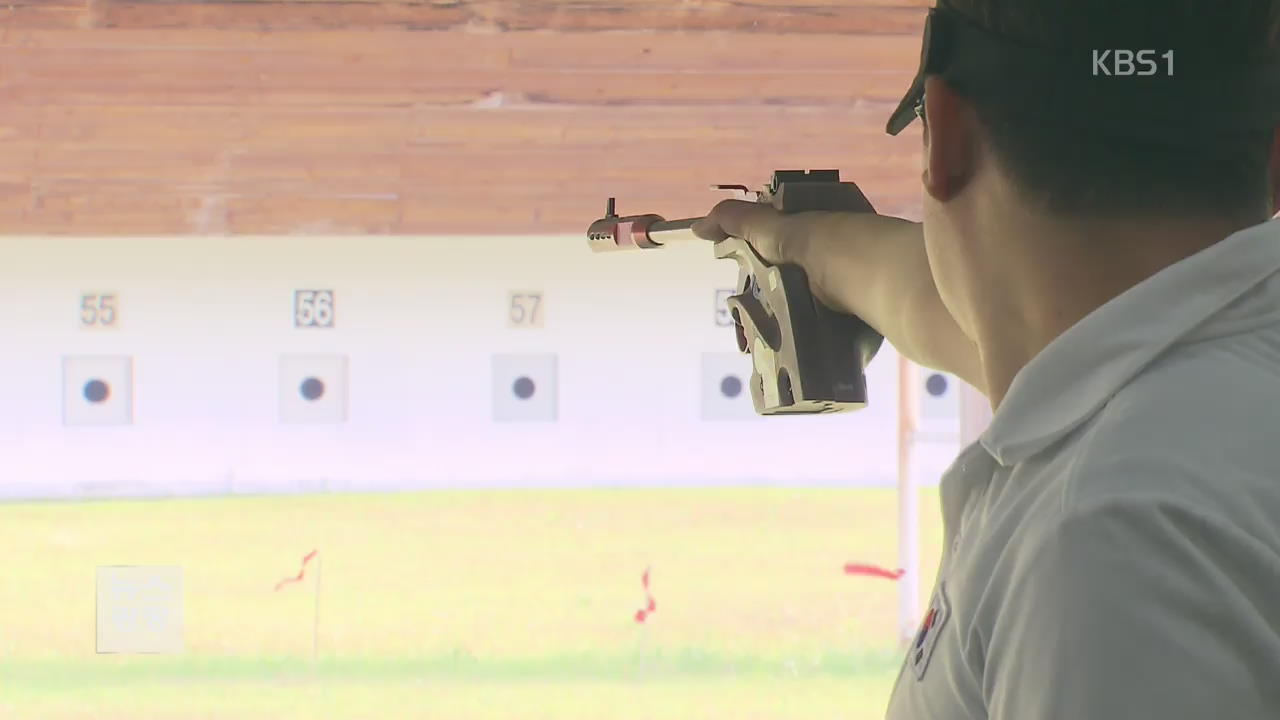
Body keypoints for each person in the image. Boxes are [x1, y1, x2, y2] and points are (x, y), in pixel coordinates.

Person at [694, 1, 1280, 718]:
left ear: (946, 132)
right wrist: (797, 244)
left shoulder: (1110, 533)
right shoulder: (1195, 369)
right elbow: (939, 303)